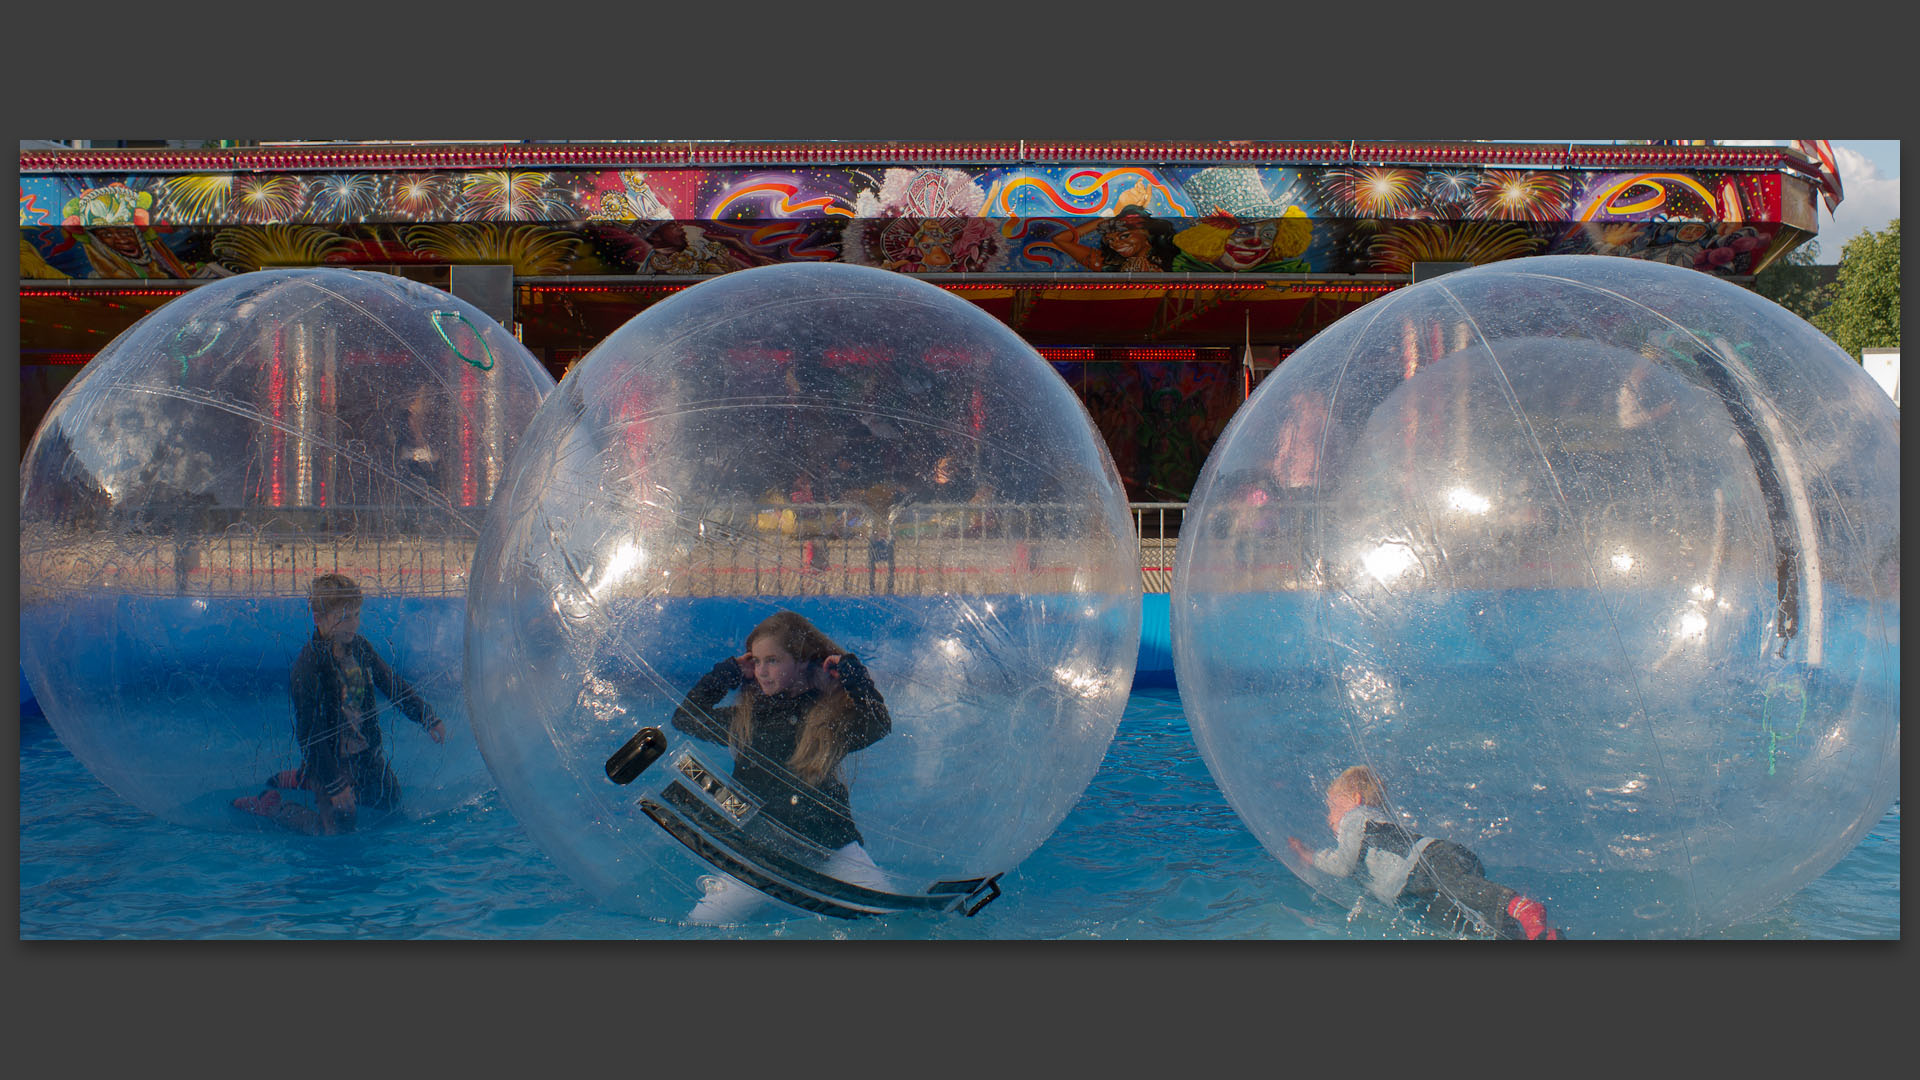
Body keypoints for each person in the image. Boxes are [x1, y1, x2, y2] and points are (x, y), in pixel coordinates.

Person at [668, 610, 894, 923]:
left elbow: (878, 724)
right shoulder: (746, 721)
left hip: (827, 847)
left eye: (772, 660)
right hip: (761, 855)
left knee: (886, 916)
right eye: (756, 662)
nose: (762, 671)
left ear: (802, 661)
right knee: (703, 925)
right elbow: (685, 717)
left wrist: (854, 677)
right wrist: (729, 673)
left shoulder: (826, 718)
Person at [233, 573, 446, 834]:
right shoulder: (308, 668)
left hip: (365, 753)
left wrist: (425, 715)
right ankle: (274, 807)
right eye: (343, 617)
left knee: (390, 807)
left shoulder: (359, 648)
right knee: (334, 829)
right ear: (319, 618)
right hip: (331, 759)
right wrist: (332, 781)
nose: (352, 624)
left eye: (356, 614)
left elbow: (389, 682)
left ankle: (304, 777)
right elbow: (309, 732)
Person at [1287, 765, 1562, 940]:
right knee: (1459, 923)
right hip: (1416, 886)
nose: (1329, 817)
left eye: (1332, 806)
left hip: (1429, 860)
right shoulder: (1367, 830)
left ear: (1355, 800)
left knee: (1462, 889)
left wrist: (1311, 856)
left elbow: (1342, 865)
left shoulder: (1356, 818)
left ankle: (1526, 909)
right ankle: (1527, 934)